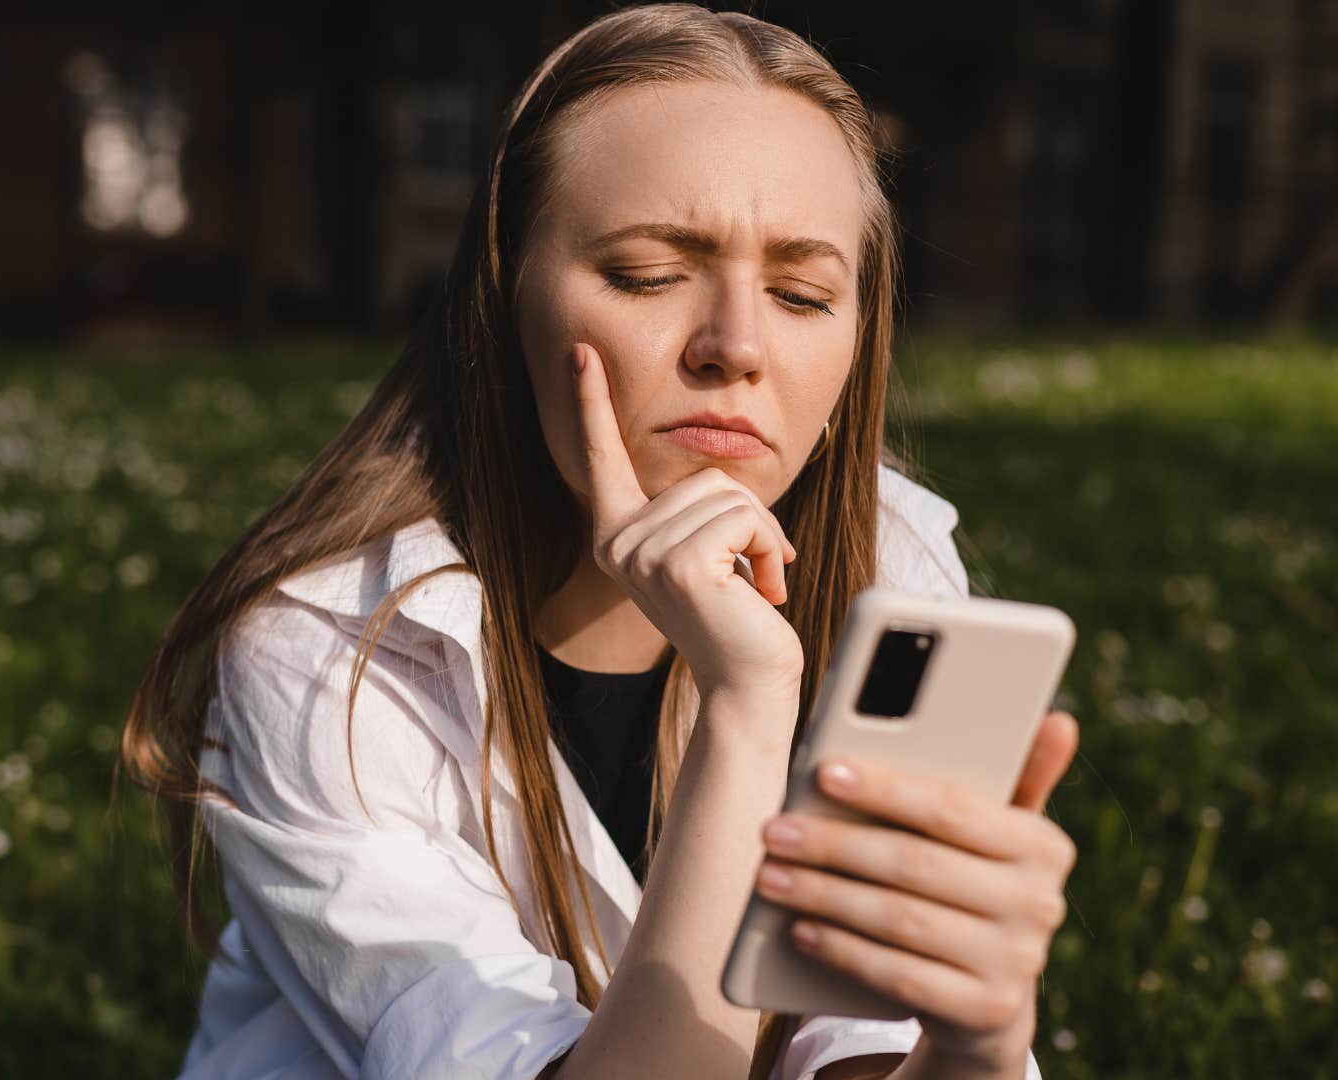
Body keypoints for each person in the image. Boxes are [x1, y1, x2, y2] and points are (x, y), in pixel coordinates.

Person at [120, 5, 1080, 1078]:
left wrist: (976, 1045)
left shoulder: (896, 571)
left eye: (804, 294)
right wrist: (749, 706)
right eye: (646, 276)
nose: (738, 347)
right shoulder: (330, 654)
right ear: (502, 298)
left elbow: (864, 1046)